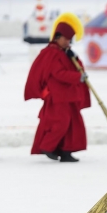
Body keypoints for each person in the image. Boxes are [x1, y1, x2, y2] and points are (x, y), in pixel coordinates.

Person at [24, 13, 91, 162]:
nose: (68, 42)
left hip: (69, 95)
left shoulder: (64, 52)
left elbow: (74, 67)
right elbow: (58, 73)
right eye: (66, 39)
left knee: (73, 124)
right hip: (58, 97)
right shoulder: (51, 53)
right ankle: (48, 146)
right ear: (58, 37)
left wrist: (75, 59)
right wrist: (77, 77)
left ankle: (66, 151)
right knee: (61, 123)